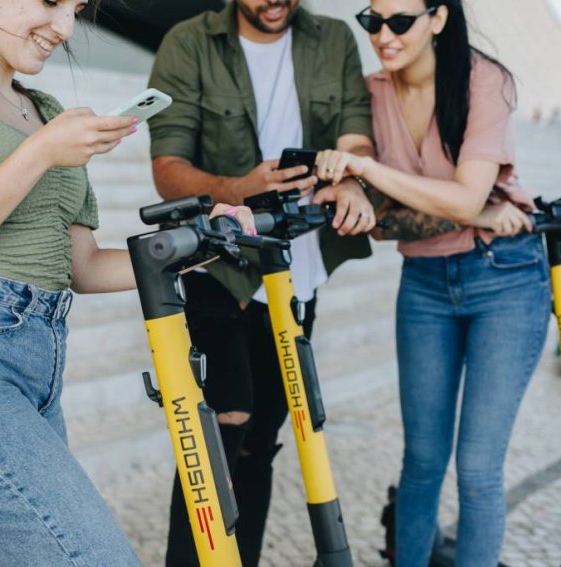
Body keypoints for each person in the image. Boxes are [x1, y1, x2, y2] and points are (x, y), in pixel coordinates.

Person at [0, 0, 253, 564]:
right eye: (50, 2)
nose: (65, 28)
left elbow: (83, 267)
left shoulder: (45, 111)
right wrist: (42, 153)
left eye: (76, 8)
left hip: (38, 371)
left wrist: (198, 244)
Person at [315, 0, 551, 564]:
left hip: (505, 279)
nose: (384, 35)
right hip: (424, 279)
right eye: (373, 21)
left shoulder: (484, 82)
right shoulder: (371, 92)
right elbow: (379, 218)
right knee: (421, 462)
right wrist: (468, 208)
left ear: (438, 19)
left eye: (401, 21)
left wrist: (370, 173)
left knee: (477, 468)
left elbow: (467, 195)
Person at [147, 1, 376, 564]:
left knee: (261, 441)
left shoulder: (333, 39)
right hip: (215, 263)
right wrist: (238, 187)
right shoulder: (188, 42)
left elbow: (356, 132)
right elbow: (167, 165)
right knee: (221, 431)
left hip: (293, 268)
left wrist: (352, 181)